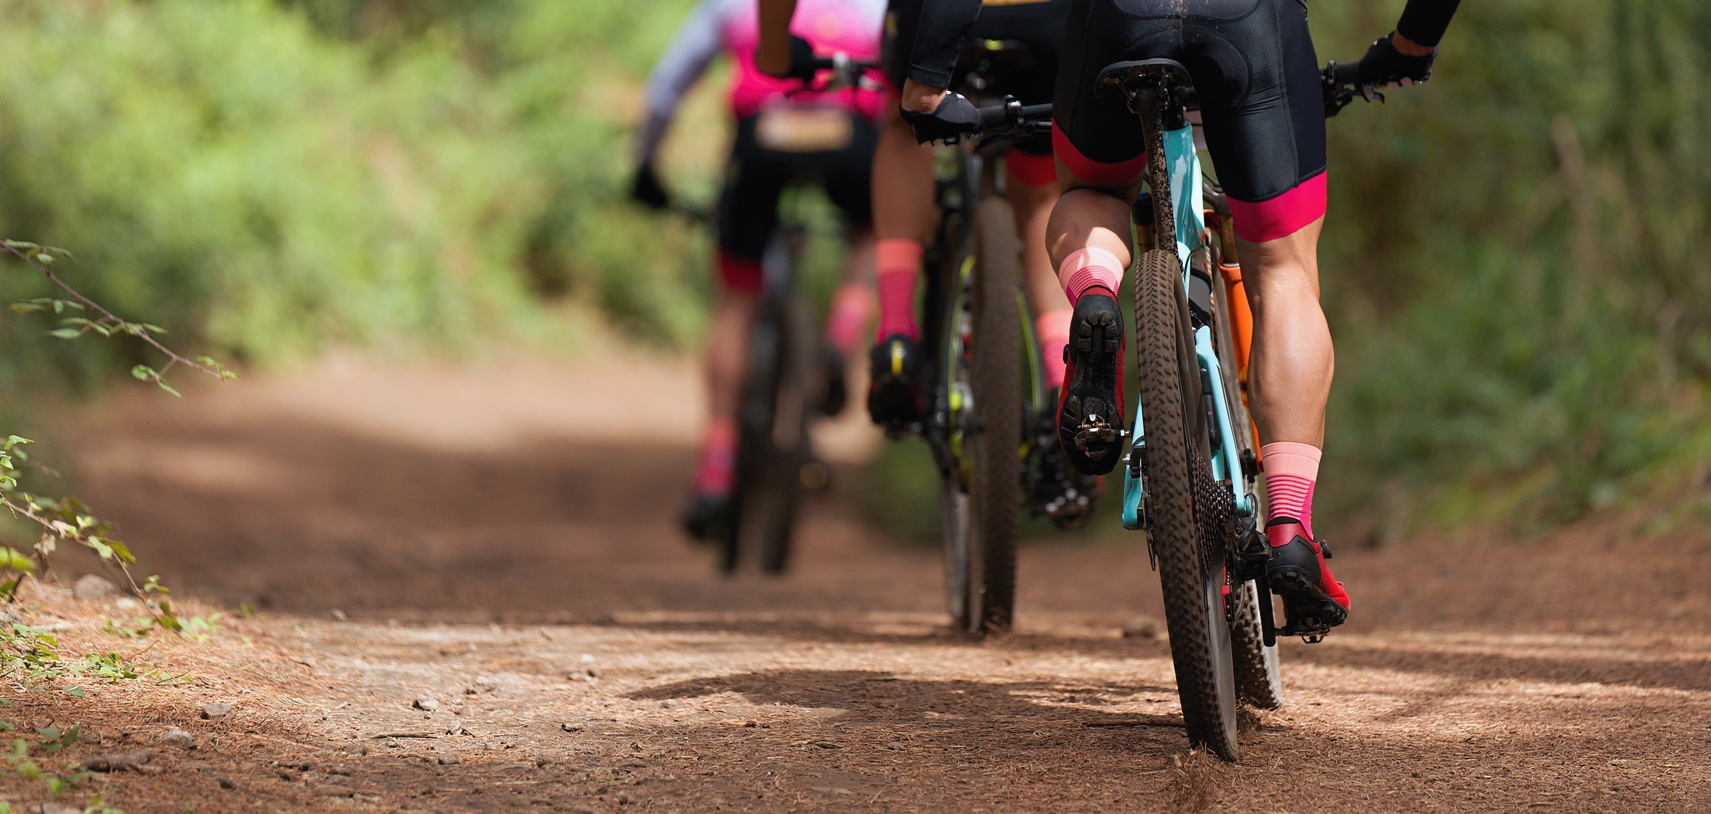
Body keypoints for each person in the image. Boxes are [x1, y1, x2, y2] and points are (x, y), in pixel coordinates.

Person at [898, 0, 1460, 637]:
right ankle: (1289, 525)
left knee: (1094, 193)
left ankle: (1097, 294)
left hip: (1118, 20)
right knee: (1281, 269)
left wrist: (926, 82)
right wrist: (1412, 46)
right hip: (1251, 23)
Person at [762, 0, 1100, 525]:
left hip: (938, 24)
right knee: (1037, 194)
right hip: (1048, 21)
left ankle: (895, 332)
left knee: (903, 128)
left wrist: (775, 52)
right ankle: (1061, 379)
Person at [630, 0, 888, 539]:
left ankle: (716, 470)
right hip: (849, 130)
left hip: (763, 134)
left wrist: (646, 168)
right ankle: (840, 334)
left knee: (738, 299)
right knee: (872, 233)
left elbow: (665, 90)